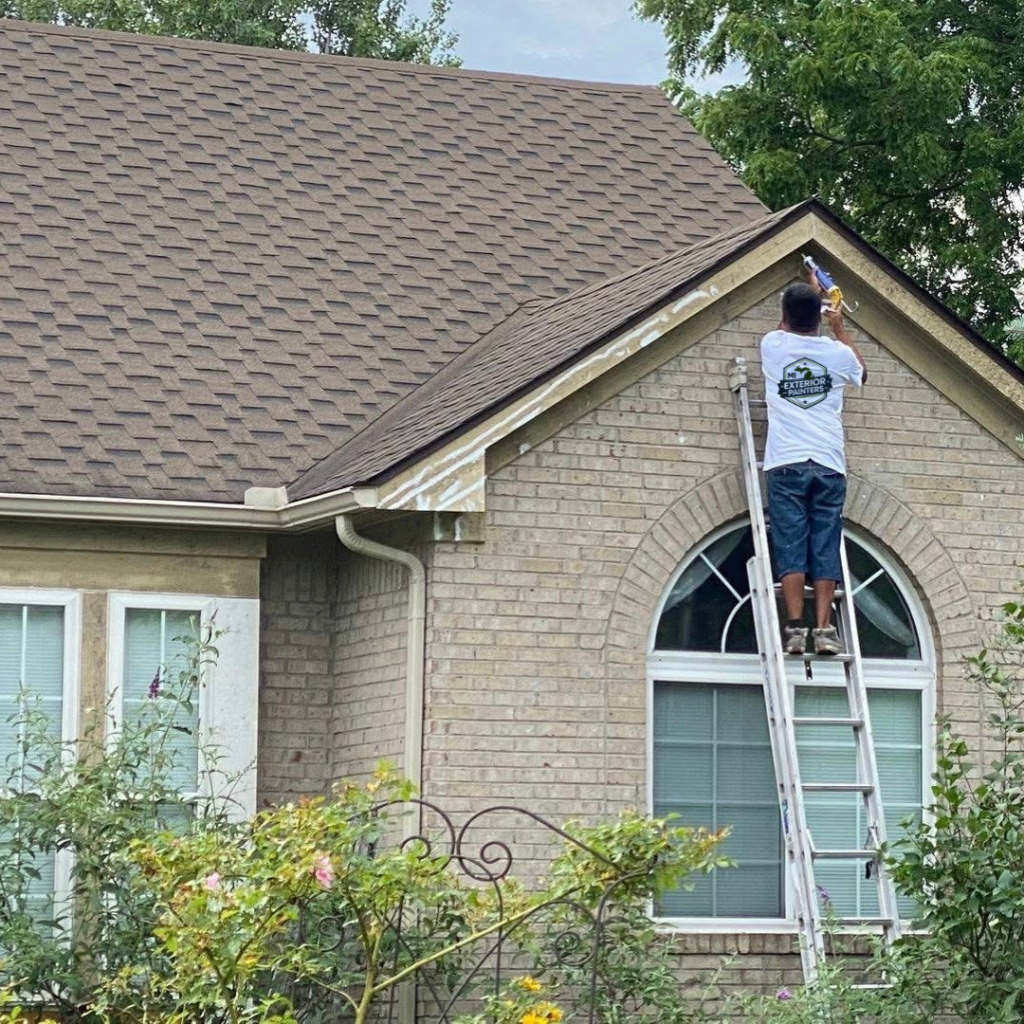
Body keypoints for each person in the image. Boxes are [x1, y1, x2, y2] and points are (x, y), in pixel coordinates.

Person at [761, 273, 867, 655]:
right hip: (827, 463)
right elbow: (862, 372)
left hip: (786, 462)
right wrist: (839, 328)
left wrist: (810, 295)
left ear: (785, 316)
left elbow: (783, 329)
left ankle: (793, 629)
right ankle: (823, 630)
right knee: (824, 544)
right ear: (819, 317)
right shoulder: (836, 353)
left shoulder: (772, 346)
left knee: (791, 542)